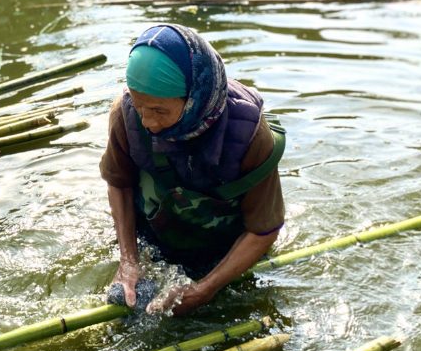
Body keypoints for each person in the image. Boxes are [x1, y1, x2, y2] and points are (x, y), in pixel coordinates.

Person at [100, 23, 286, 316]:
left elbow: (263, 229)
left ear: (194, 99)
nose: (147, 122)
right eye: (139, 106)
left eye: (159, 111)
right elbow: (119, 183)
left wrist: (205, 288)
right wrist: (129, 261)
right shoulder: (126, 116)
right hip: (157, 234)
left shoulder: (249, 135)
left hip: (227, 246)